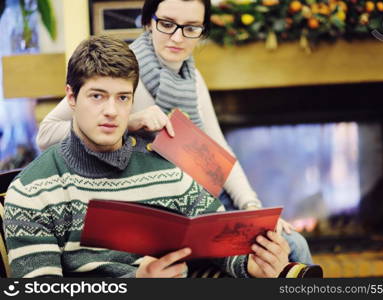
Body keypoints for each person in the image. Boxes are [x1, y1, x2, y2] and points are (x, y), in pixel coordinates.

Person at [35, 0, 312, 264]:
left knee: (290, 243)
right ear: (147, 22)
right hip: (163, 212)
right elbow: (46, 134)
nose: (177, 38)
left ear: (202, 31)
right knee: (288, 247)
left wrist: (252, 208)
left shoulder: (191, 76)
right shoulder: (122, 73)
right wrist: (129, 121)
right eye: (167, 24)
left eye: (191, 28)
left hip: (203, 198)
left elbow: (218, 150)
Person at [4, 35, 291, 278]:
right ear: (71, 97)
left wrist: (251, 264)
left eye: (122, 98)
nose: (112, 112)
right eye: (97, 96)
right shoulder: (32, 191)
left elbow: (220, 239)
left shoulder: (166, 170)